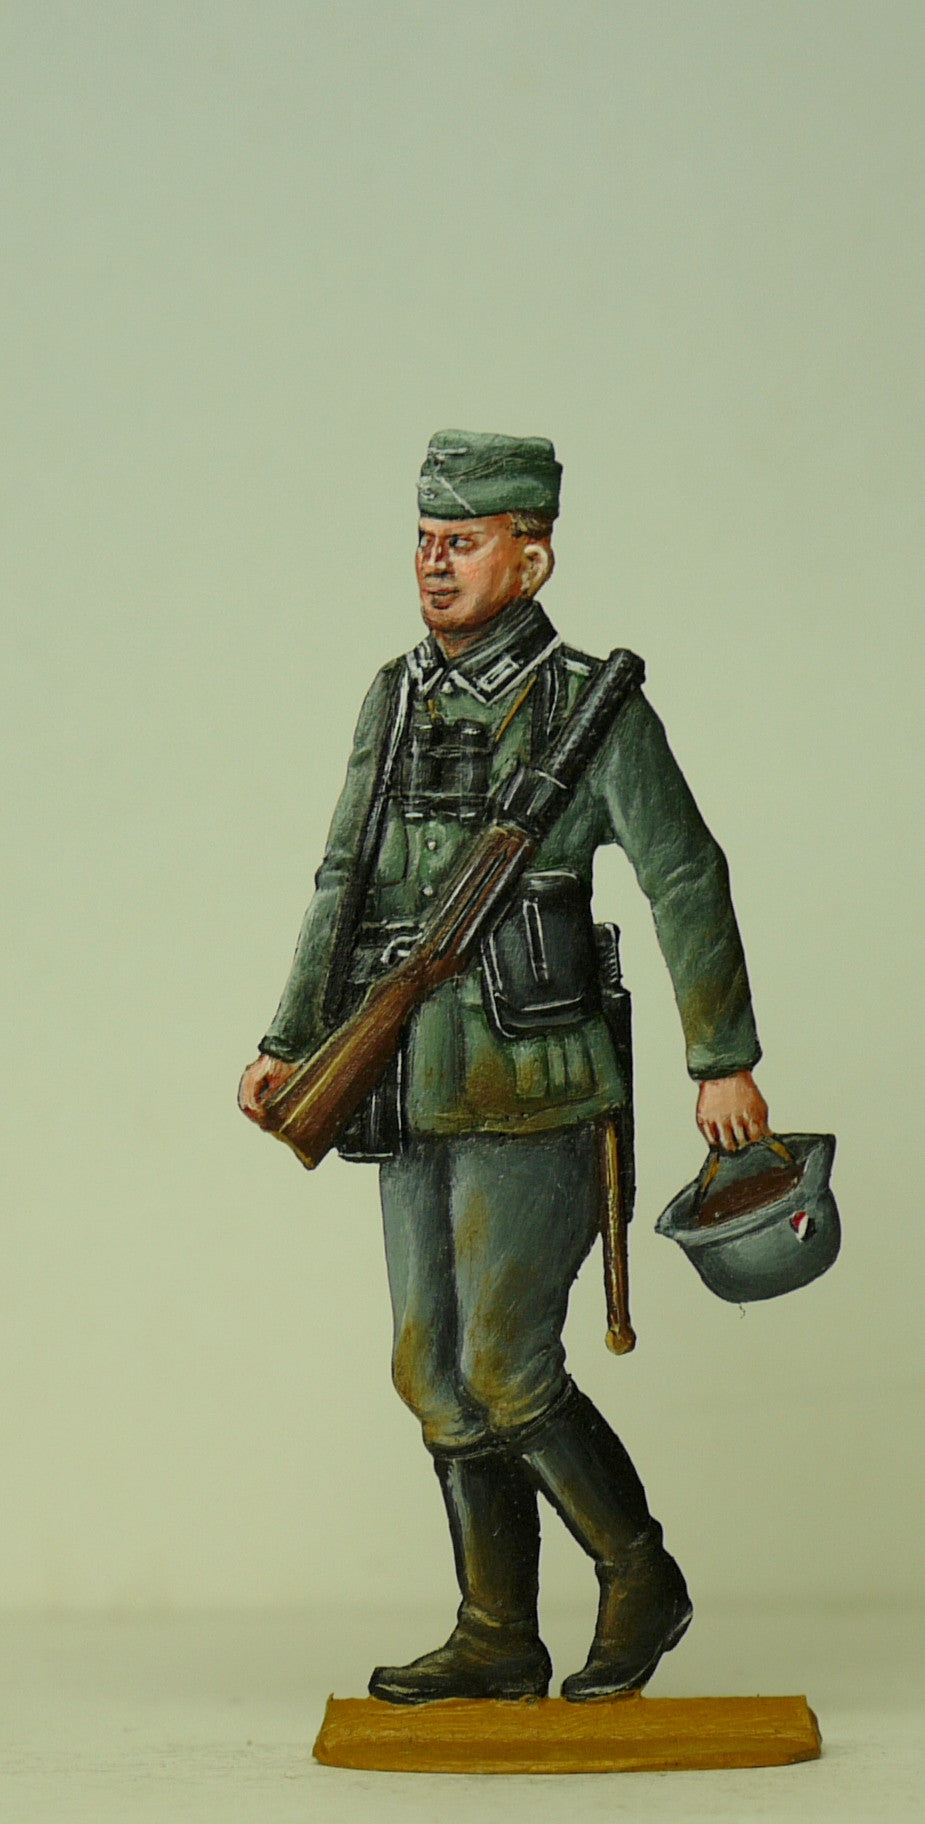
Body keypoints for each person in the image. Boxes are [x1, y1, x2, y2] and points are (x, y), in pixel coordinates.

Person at [239, 430, 769, 1704]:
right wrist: (289, 1038)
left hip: (535, 1085)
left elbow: (684, 875)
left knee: (505, 1365)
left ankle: (640, 1572)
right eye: (425, 541)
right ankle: (496, 1634)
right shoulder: (393, 698)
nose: (436, 564)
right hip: (401, 1079)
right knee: (429, 1372)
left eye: (463, 543)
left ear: (531, 559)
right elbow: (341, 877)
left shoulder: (592, 709)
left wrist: (722, 1058)